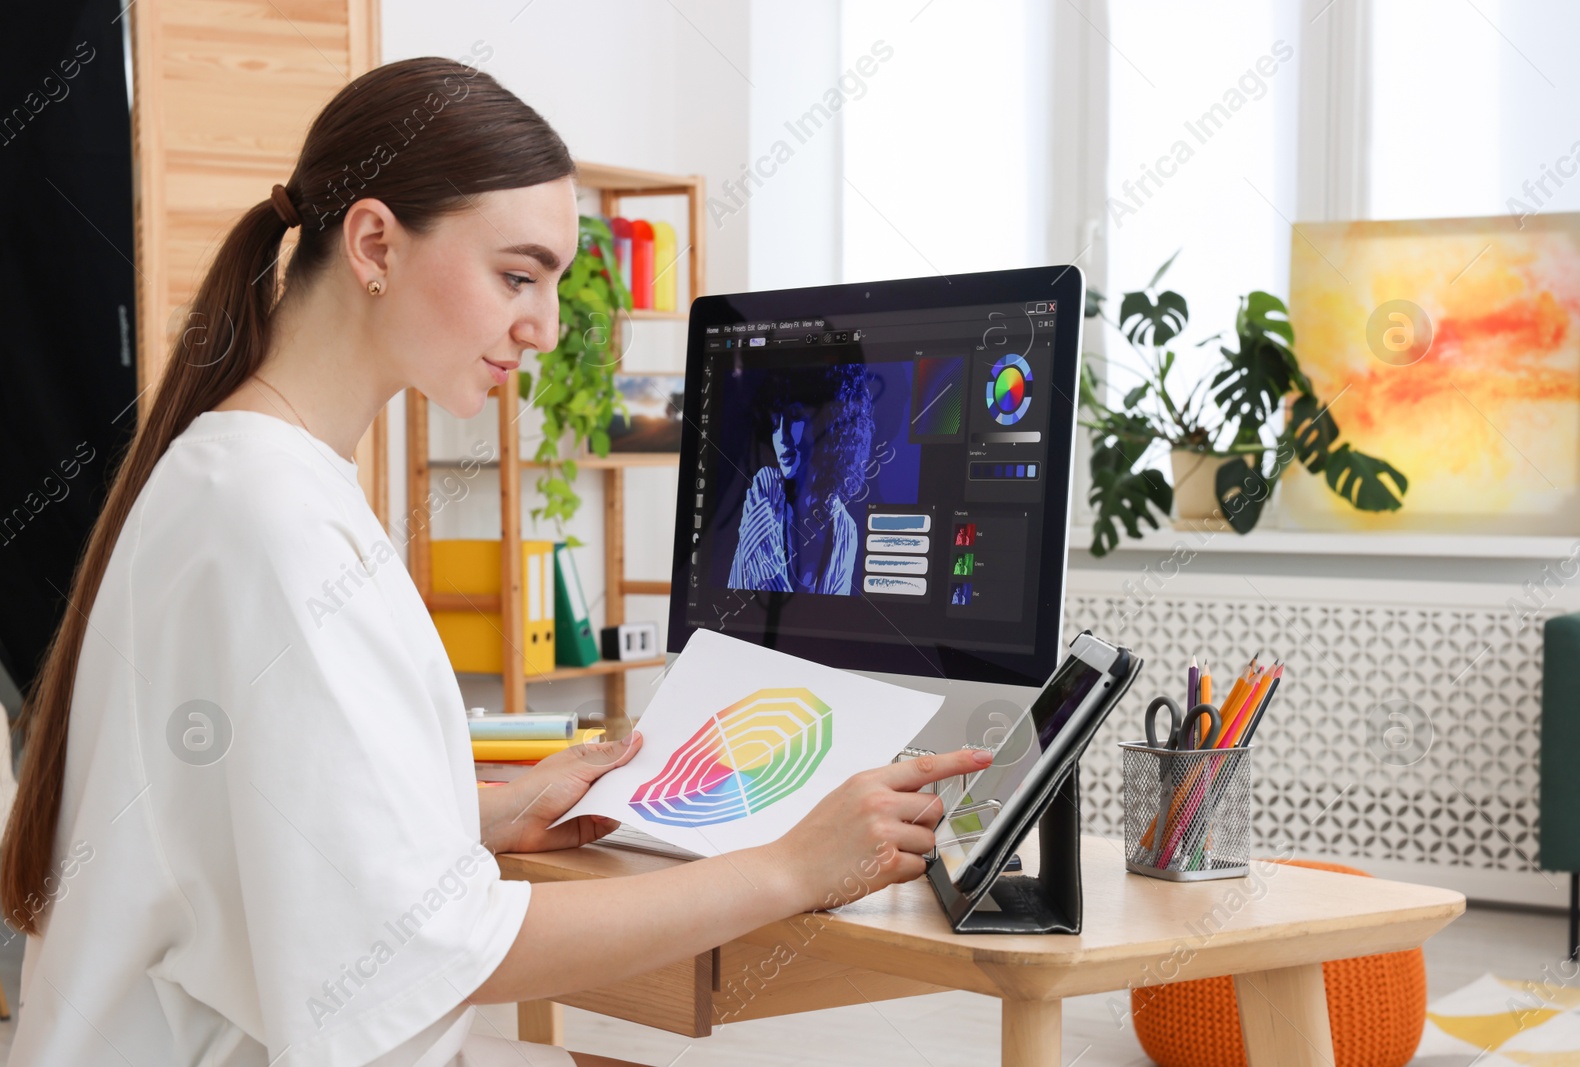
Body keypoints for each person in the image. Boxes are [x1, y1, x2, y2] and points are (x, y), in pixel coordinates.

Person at [0, 58, 989, 1067]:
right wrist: (788, 866)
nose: (545, 327)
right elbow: (422, 948)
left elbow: (265, 811)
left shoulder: (259, 477)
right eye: (517, 275)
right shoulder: (264, 518)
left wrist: (483, 812)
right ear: (375, 242)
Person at [726, 366, 871, 596]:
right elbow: (766, 596)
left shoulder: (845, 529)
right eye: (775, 423)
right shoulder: (765, 490)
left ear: (829, 423)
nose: (781, 437)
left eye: (794, 418)